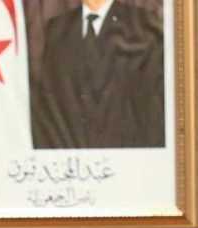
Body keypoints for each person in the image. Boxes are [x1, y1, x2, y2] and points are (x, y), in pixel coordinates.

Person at [30, 0, 165, 149]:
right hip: (72, 152)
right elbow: (47, 106)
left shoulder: (143, 24)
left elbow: (153, 111)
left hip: (125, 151)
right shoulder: (57, 28)